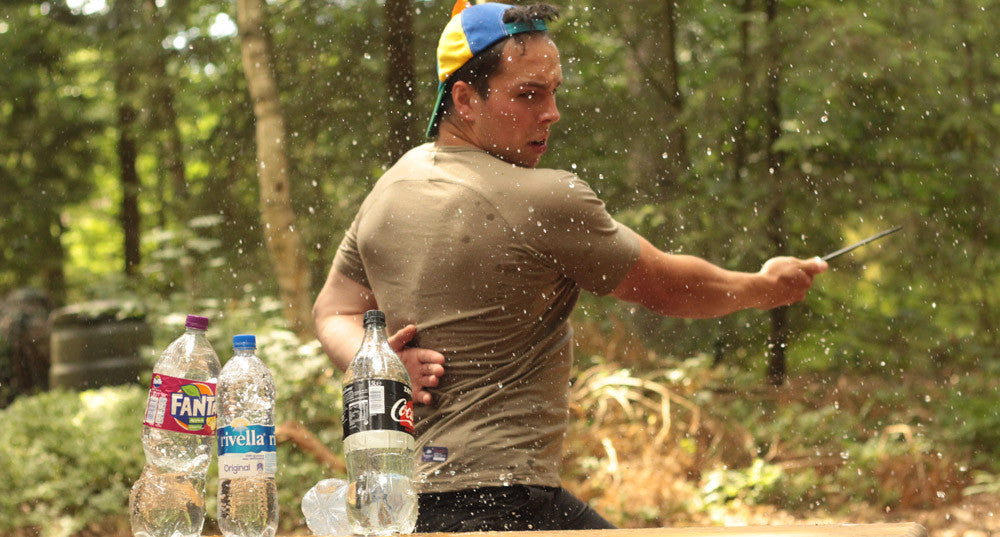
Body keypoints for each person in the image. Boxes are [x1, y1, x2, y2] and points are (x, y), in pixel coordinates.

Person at [312, 1, 827, 532]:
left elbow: (333, 310)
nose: (551, 112)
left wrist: (370, 358)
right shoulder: (544, 198)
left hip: (403, 505)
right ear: (465, 99)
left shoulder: (391, 186)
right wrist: (766, 287)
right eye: (529, 95)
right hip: (502, 501)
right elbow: (670, 287)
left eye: (553, 91)